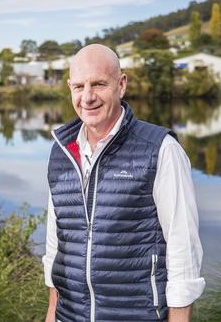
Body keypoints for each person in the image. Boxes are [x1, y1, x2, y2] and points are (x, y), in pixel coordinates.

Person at [43, 44, 204, 322]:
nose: (88, 97)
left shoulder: (160, 149)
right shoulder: (62, 151)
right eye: (79, 86)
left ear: (122, 84)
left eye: (99, 84)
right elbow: (56, 244)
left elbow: (183, 248)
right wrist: (51, 313)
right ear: (69, 87)